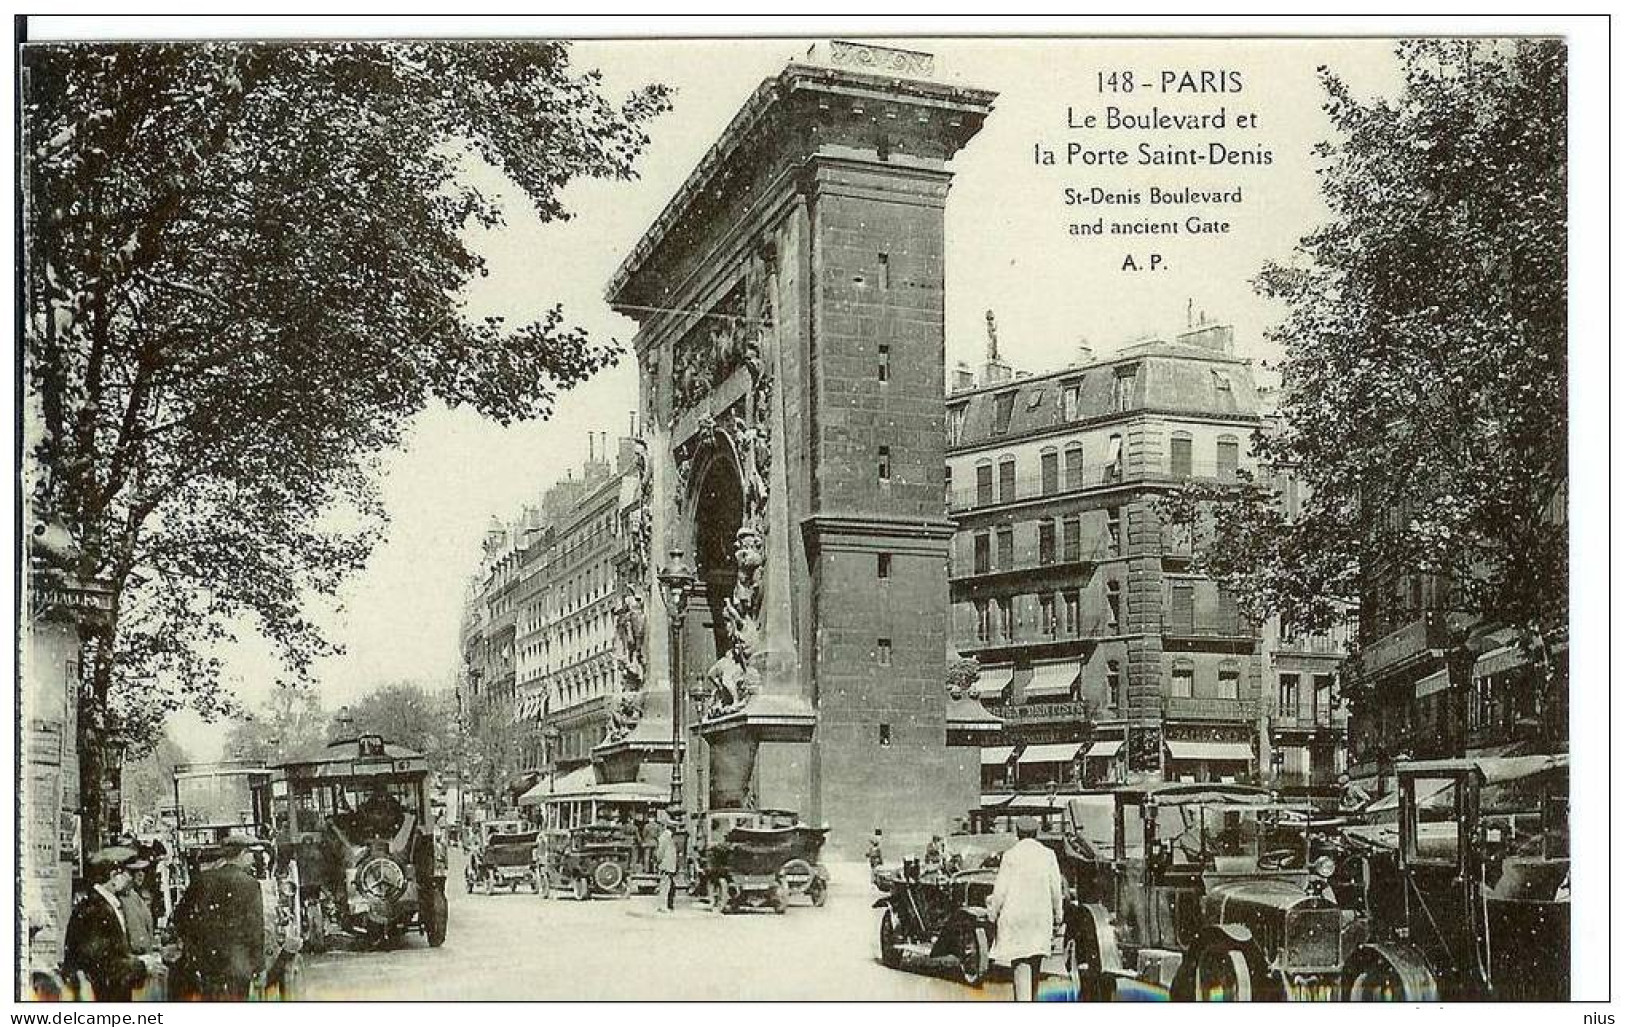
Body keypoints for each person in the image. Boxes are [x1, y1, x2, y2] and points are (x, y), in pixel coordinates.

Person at [172, 833, 265, 1001]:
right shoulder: (249, 884)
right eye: (251, 854)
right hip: (238, 963)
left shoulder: (202, 880)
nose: (253, 859)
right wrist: (259, 966)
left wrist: (192, 942)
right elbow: (254, 928)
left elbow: (180, 916)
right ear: (243, 854)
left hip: (206, 962)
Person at [63, 847, 159, 1001]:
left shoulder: (106, 905)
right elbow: (103, 966)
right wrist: (142, 964)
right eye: (128, 873)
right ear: (114, 876)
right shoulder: (94, 910)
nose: (131, 879)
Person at [987, 816, 1065, 1002]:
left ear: (1017, 833)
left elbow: (1000, 891)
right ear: (1037, 833)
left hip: (1016, 919)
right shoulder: (1048, 855)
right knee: (1036, 962)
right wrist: (1058, 915)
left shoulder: (1010, 855)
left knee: (1021, 963)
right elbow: (1056, 889)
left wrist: (993, 913)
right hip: (1040, 919)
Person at [654, 812, 680, 912]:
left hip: (669, 865)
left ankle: (665, 905)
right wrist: (659, 862)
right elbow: (660, 852)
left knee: (668, 886)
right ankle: (662, 906)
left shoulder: (669, 837)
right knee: (665, 887)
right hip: (666, 865)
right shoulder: (665, 837)